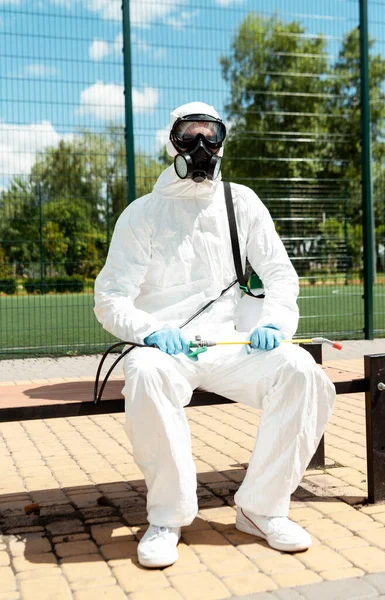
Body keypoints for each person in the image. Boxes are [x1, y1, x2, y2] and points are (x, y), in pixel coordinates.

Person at [94, 101, 336, 569]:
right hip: (167, 347)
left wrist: (274, 323)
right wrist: (150, 331)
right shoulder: (142, 214)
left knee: (301, 371)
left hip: (230, 343)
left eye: (211, 136)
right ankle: (168, 517)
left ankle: (261, 508)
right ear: (173, 142)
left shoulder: (241, 202)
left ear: (222, 142)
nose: (201, 148)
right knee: (145, 373)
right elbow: (111, 298)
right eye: (190, 136)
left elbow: (281, 277)